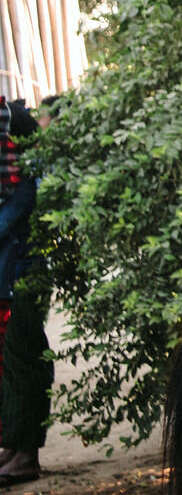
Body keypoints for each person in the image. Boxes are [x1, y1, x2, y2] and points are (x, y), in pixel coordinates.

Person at [0, 97, 50, 486]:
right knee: (15, 362)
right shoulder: (18, 182)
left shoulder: (26, 183)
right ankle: (15, 447)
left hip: (22, 277)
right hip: (13, 277)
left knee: (25, 361)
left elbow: (13, 217)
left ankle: (25, 453)